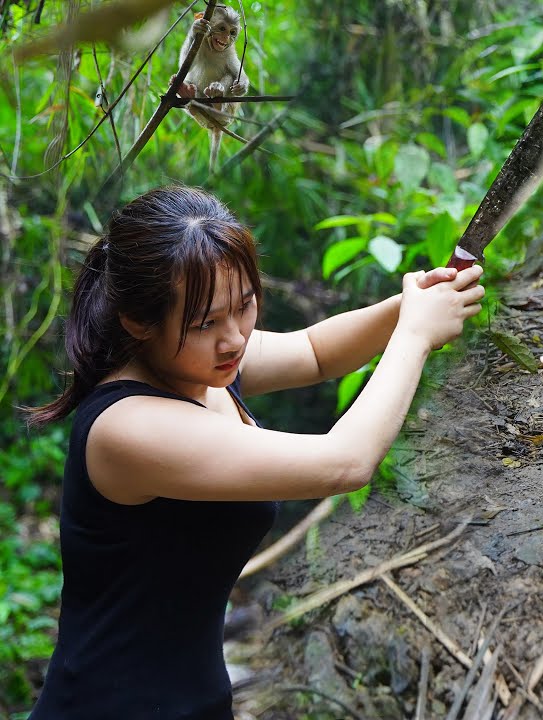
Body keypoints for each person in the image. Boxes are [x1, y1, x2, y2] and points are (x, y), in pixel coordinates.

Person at [24, 185, 485, 719]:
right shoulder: (128, 427)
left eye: (245, 306)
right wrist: (415, 335)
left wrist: (412, 304)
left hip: (196, 703)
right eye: (207, 322)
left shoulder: (198, 363)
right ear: (137, 321)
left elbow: (314, 352)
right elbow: (346, 461)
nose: (235, 338)